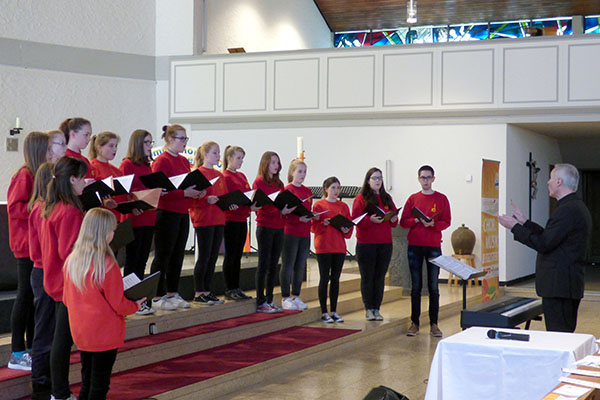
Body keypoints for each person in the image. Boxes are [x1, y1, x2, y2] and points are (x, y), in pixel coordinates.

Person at [499, 163, 592, 333]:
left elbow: (544, 244)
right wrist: (525, 223)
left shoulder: (567, 210)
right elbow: (551, 237)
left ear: (558, 182)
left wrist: (514, 227)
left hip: (560, 285)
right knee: (562, 334)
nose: (547, 182)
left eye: (550, 178)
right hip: (565, 284)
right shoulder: (573, 207)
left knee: (559, 336)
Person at [63, 208, 143, 400]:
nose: (114, 234)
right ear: (103, 233)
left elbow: (66, 299)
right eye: (112, 230)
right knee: (100, 385)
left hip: (82, 332)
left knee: (87, 380)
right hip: (104, 332)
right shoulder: (106, 263)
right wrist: (136, 305)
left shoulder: (72, 261)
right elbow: (118, 304)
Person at [41, 156, 88, 400]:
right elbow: (69, 252)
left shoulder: (53, 205)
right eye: (82, 177)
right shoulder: (69, 211)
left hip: (55, 279)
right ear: (72, 179)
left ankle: (58, 391)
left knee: (60, 340)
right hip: (67, 283)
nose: (85, 182)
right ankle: (59, 393)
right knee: (62, 342)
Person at [149, 125, 204, 311]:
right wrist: (184, 193)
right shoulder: (161, 161)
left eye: (186, 139)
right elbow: (160, 191)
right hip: (166, 212)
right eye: (182, 139)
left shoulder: (182, 161)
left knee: (178, 254)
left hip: (182, 212)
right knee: (163, 254)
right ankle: (157, 295)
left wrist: (195, 192)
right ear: (170, 140)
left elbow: (183, 185)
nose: (185, 142)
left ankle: (172, 292)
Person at [7, 131, 49, 371]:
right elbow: (15, 209)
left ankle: (33, 347)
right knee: (24, 296)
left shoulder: (39, 174)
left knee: (35, 298)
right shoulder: (24, 175)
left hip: (37, 244)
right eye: (50, 147)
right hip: (25, 244)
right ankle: (17, 351)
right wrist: (40, 206)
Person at [400, 165, 451, 337]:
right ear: (418, 179)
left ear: (433, 179)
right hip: (415, 245)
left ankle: (434, 324)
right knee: (416, 286)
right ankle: (414, 323)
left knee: (433, 286)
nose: (426, 181)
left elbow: (447, 221)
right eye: (423, 177)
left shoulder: (441, 198)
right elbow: (403, 222)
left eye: (429, 177)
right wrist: (415, 220)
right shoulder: (413, 198)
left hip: (433, 245)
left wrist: (434, 224)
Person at [352, 167, 398, 321]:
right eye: (375, 178)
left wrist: (392, 218)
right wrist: (369, 220)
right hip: (366, 244)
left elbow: (394, 220)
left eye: (380, 178)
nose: (378, 181)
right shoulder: (361, 198)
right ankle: (368, 308)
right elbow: (355, 219)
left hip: (385, 243)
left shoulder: (387, 198)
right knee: (368, 277)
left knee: (379, 277)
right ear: (368, 180)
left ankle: (377, 308)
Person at [119, 129, 157, 315]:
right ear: (137, 144)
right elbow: (125, 192)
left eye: (151, 142)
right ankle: (129, 300)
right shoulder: (127, 164)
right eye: (147, 143)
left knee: (142, 260)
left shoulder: (147, 165)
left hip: (148, 217)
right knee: (133, 261)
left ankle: (140, 300)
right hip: (134, 218)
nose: (150, 146)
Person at [252, 151, 294, 313]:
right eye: (273, 162)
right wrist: (279, 210)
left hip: (279, 227)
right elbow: (260, 208)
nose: (276, 166)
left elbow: (281, 203)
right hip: (265, 227)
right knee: (263, 264)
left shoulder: (279, 184)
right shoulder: (259, 182)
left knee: (273, 265)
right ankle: (260, 300)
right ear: (265, 164)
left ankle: (269, 299)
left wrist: (286, 210)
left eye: (277, 162)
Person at [189, 141, 228, 305]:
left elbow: (224, 195)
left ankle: (208, 290)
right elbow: (191, 200)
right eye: (215, 153)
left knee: (213, 257)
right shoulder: (197, 173)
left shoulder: (219, 175)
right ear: (205, 155)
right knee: (204, 256)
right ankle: (199, 291)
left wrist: (228, 202)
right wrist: (206, 199)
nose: (218, 156)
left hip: (218, 218)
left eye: (219, 153)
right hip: (204, 219)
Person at [28, 162, 55, 399]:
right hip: (44, 271)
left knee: (51, 331)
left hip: (48, 271)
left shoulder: (48, 207)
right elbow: (43, 249)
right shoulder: (42, 208)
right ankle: (41, 383)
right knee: (44, 332)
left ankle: (50, 380)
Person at [311, 177, 353, 323]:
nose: (336, 191)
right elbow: (313, 227)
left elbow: (348, 228)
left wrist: (346, 228)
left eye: (338, 188)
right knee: (324, 278)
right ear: (326, 189)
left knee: (335, 279)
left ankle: (334, 310)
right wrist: (323, 223)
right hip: (324, 246)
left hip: (339, 247)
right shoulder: (319, 205)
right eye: (333, 187)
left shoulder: (343, 206)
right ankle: (324, 311)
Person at [221, 145, 255, 301]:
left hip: (242, 220)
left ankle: (236, 286)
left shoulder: (241, 176)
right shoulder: (225, 177)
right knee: (231, 255)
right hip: (230, 220)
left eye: (242, 158)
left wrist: (252, 204)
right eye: (238, 158)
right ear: (229, 158)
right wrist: (232, 204)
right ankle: (229, 288)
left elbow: (247, 196)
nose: (241, 161)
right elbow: (225, 198)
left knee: (238, 256)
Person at [280, 159, 313, 310]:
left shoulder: (308, 191)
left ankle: (296, 296)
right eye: (299, 171)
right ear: (292, 172)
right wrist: (298, 218)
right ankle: (285, 297)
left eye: (305, 172)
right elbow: (283, 214)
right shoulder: (287, 190)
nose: (302, 175)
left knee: (300, 266)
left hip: (304, 232)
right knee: (288, 264)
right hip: (290, 232)